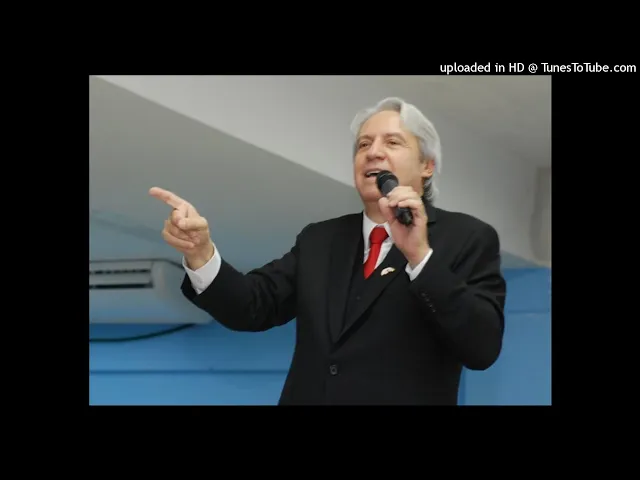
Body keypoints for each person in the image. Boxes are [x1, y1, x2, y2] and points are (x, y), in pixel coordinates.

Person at [149, 97, 506, 405]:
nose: (373, 152)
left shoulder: (467, 238)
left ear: (427, 165)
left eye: (392, 142)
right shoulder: (320, 239)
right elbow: (251, 306)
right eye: (363, 144)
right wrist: (201, 253)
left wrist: (420, 257)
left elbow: (482, 347)